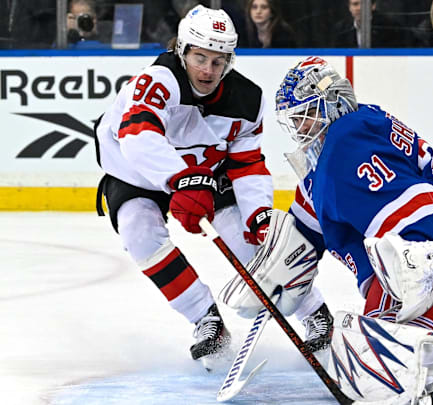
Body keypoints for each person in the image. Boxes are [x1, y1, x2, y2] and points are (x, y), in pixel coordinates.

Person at [250, 56, 433, 403]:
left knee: (383, 327)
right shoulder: (350, 132)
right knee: (396, 280)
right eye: (295, 119)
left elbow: (421, 204)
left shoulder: (346, 144)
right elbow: (311, 219)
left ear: (330, 104)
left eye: (305, 115)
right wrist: (279, 268)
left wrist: (419, 264)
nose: (300, 128)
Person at [93, 6, 333, 367]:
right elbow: (138, 136)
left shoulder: (247, 100)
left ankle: (315, 313)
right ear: (183, 52)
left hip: (206, 171)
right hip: (136, 172)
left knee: (244, 237)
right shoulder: (157, 81)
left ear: (229, 61)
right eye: (200, 57)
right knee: (138, 230)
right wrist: (180, 181)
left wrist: (258, 216)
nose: (207, 70)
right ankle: (206, 321)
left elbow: (248, 163)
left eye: (218, 61)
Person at [333, 0, 409, 48]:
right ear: (349, 7)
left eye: (363, 4)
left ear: (373, 6)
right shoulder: (342, 29)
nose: (359, 8)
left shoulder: (389, 26)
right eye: (355, 4)